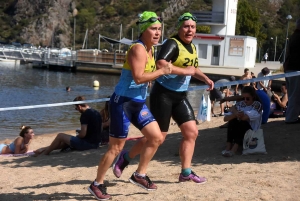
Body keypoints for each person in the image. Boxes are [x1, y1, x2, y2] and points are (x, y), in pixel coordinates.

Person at [112, 12, 214, 185]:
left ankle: (186, 172)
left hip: (180, 96)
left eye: (192, 27)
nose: (189, 30)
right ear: (180, 28)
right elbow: (161, 64)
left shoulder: (192, 47)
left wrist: (205, 78)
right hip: (163, 95)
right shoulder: (172, 43)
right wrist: (185, 71)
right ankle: (126, 157)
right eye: (186, 26)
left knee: (192, 132)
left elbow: (192, 68)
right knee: (157, 137)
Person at [88, 11, 172, 200]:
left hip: (138, 102)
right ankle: (97, 184)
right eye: (153, 29)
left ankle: (139, 174)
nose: (157, 33)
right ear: (143, 30)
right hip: (122, 103)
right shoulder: (138, 49)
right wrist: (160, 72)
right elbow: (138, 77)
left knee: (156, 137)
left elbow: (143, 77)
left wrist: (153, 75)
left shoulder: (151, 50)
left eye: (159, 29)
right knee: (115, 148)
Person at [222, 86, 262, 157]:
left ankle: (234, 148)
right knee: (232, 120)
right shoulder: (241, 104)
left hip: (252, 133)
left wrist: (234, 112)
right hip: (240, 132)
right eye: (243, 98)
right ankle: (228, 146)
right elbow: (225, 119)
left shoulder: (257, 105)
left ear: (253, 97)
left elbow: (244, 118)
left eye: (247, 98)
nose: (245, 100)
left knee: (242, 122)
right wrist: (236, 113)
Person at [284, 19, 300, 124]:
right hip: (295, 70)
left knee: (292, 95)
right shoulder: (298, 37)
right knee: (295, 95)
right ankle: (291, 118)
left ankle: (292, 116)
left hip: (289, 69)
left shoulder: (294, 36)